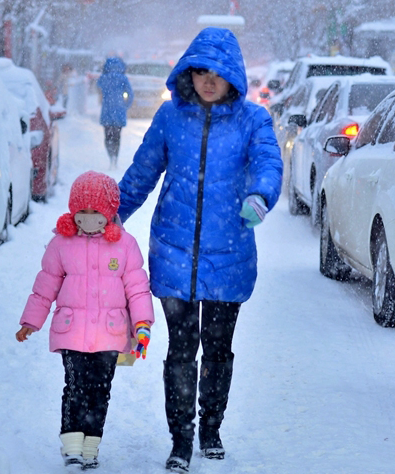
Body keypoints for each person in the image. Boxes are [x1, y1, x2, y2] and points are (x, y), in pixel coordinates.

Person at [116, 27, 282, 473]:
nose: (209, 80)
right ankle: (180, 438)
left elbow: (268, 160)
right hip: (174, 252)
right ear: (189, 72)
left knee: (219, 350)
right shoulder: (171, 118)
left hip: (229, 255)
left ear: (234, 78)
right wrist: (108, 216)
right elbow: (141, 173)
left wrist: (260, 195)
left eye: (219, 73)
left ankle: (211, 427)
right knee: (181, 350)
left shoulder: (253, 119)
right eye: (201, 71)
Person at [16, 171, 155, 471]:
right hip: (72, 332)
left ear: (109, 212)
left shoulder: (125, 246)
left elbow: (137, 287)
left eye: (96, 212)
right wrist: (31, 321)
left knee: (100, 390)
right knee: (75, 385)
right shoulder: (62, 243)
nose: (89, 218)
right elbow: (45, 285)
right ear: (73, 211)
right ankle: (72, 446)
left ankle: (91, 446)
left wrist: (142, 324)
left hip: (110, 333)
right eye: (83, 212)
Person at [96, 56, 134, 169]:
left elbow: (98, 89)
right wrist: (125, 106)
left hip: (106, 112)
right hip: (119, 112)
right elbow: (130, 95)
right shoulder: (123, 79)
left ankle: (110, 155)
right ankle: (115, 158)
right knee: (117, 137)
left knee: (107, 136)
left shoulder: (103, 78)